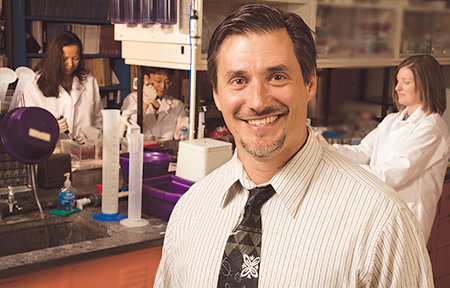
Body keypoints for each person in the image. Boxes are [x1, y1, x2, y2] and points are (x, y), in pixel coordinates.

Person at [154, 4, 433, 287]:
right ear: (216, 94)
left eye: (276, 77)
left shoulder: (381, 220)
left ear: (310, 82)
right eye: (238, 81)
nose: (257, 101)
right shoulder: (190, 211)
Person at [330, 54, 450, 242]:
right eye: (397, 81)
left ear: (426, 85)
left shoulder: (431, 127)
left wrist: (340, 170)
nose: (397, 88)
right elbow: (362, 152)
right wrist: (327, 150)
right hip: (381, 212)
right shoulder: (392, 120)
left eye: (406, 82)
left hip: (406, 219)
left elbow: (393, 173)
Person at [20, 31, 103, 138]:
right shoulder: (33, 84)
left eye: (75, 58)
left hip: (83, 149)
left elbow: (99, 121)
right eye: (65, 59)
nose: (71, 64)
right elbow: (27, 130)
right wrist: (51, 130)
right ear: (54, 58)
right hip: (50, 151)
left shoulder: (88, 80)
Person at [121, 67, 189, 140]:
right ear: (146, 79)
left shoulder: (177, 105)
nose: (163, 86)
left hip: (165, 150)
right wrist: (144, 103)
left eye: (167, 82)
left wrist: (183, 130)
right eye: (158, 81)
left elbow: (182, 133)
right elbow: (128, 129)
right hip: (139, 150)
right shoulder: (132, 99)